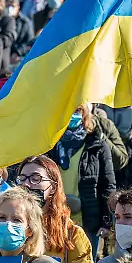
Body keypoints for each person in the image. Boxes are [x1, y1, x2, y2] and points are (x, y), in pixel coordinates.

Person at [17, 155, 96, 263]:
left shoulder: (72, 234)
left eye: (36, 178)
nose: (26, 184)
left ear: (53, 187)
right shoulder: (10, 227)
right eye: (22, 179)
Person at [46, 105, 117, 253]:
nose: (72, 114)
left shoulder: (98, 145)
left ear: (85, 113)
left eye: (77, 110)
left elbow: (108, 185)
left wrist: (106, 222)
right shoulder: (49, 143)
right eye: (68, 109)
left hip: (88, 222)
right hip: (54, 218)